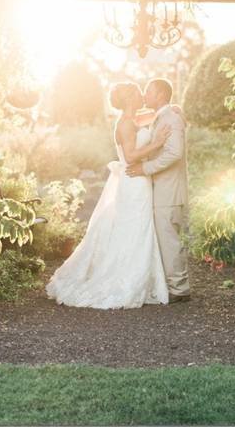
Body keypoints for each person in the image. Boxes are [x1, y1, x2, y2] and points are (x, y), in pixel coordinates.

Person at [45, 81, 172, 308]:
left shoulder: (131, 120)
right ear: (129, 98)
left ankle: (140, 277)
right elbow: (132, 156)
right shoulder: (124, 124)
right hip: (135, 181)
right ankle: (126, 280)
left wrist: (174, 109)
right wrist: (158, 144)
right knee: (136, 228)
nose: (141, 93)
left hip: (137, 181)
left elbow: (152, 117)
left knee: (136, 228)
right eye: (136, 91)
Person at [126, 78, 191, 302]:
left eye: (148, 91)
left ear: (161, 95)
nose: (144, 95)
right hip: (161, 190)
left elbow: (174, 153)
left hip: (169, 191)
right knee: (166, 240)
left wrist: (146, 168)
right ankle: (173, 286)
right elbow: (131, 115)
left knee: (170, 242)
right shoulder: (163, 115)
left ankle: (179, 290)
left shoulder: (170, 118)